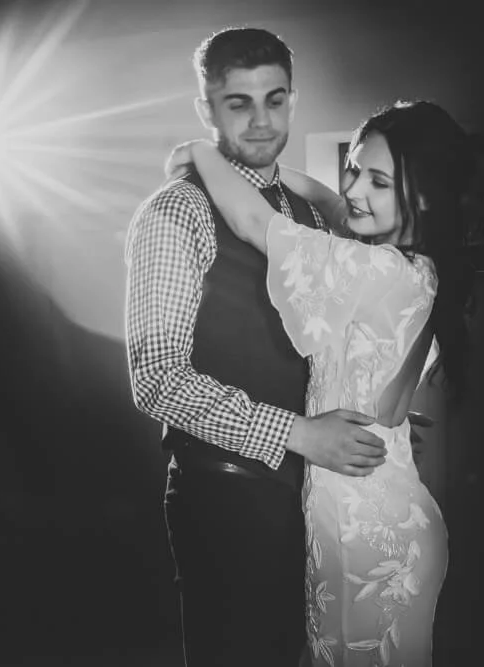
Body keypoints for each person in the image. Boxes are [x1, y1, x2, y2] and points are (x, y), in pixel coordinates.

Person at [164, 98, 475, 666]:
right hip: (365, 505)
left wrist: (202, 154)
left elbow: (254, 223)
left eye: (379, 181)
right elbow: (335, 204)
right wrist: (274, 175)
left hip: (367, 527)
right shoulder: (411, 264)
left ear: (424, 196)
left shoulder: (379, 271)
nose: (356, 189)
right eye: (353, 168)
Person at [124, 27, 389, 667]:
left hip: (321, 494)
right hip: (228, 494)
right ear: (206, 108)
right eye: (239, 102)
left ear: (293, 100)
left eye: (275, 99)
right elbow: (156, 378)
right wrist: (297, 433)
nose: (262, 119)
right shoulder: (175, 212)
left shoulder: (312, 212)